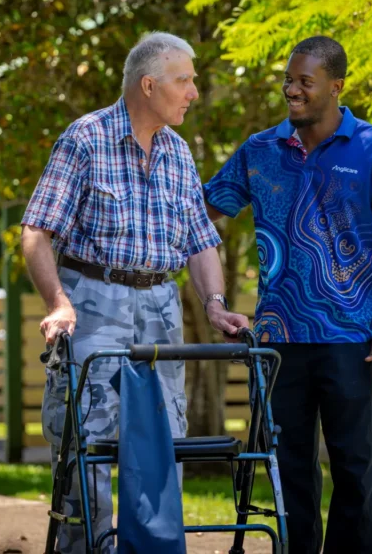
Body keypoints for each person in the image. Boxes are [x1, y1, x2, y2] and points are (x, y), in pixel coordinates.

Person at [21, 31, 249, 554]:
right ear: (149, 85)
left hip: (160, 308)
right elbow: (36, 232)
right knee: (85, 444)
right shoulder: (86, 139)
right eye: (184, 81)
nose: (194, 92)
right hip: (93, 302)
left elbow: (200, 241)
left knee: (163, 443)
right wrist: (58, 303)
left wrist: (215, 306)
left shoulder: (178, 152)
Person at [203, 36, 372, 553]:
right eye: (288, 80)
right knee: (289, 474)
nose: (292, 90)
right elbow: (200, 214)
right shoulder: (260, 150)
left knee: (357, 471)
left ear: (336, 86)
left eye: (305, 81)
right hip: (278, 340)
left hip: (353, 338)